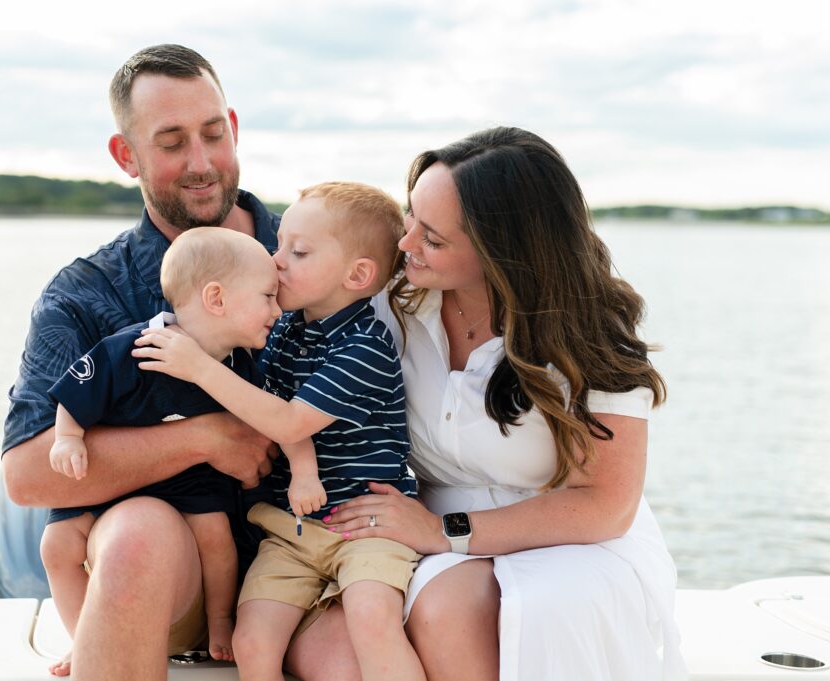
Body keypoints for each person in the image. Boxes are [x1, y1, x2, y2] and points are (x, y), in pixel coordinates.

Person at [317, 127, 687, 680]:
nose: (405, 243)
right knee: (368, 637)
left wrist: (446, 533)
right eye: (410, 216)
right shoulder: (391, 304)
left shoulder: (591, 331)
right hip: (420, 525)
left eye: (433, 238)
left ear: (503, 253)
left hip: (571, 536)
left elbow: (606, 505)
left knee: (472, 609)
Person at [0, 44, 293, 681]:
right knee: (134, 533)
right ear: (125, 155)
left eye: (213, 134)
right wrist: (206, 438)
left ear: (234, 128)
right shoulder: (84, 295)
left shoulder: (313, 256)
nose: (201, 162)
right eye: (171, 142)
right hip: (177, 577)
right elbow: (26, 474)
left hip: (315, 559)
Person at [136, 181, 425, 681]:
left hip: (367, 526)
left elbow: (288, 419)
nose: (277, 260)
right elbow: (259, 396)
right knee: (251, 639)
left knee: (372, 619)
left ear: (358, 275)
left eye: (300, 251)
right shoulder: (288, 329)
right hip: (292, 531)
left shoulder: (365, 346)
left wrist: (198, 368)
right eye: (279, 246)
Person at [39, 228, 281, 674]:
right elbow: (77, 393)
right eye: (268, 297)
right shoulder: (134, 347)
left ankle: (220, 620)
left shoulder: (239, 365)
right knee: (56, 546)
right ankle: (82, 636)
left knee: (217, 542)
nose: (277, 309)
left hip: (192, 485)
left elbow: (260, 433)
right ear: (216, 299)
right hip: (114, 484)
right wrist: (68, 438)